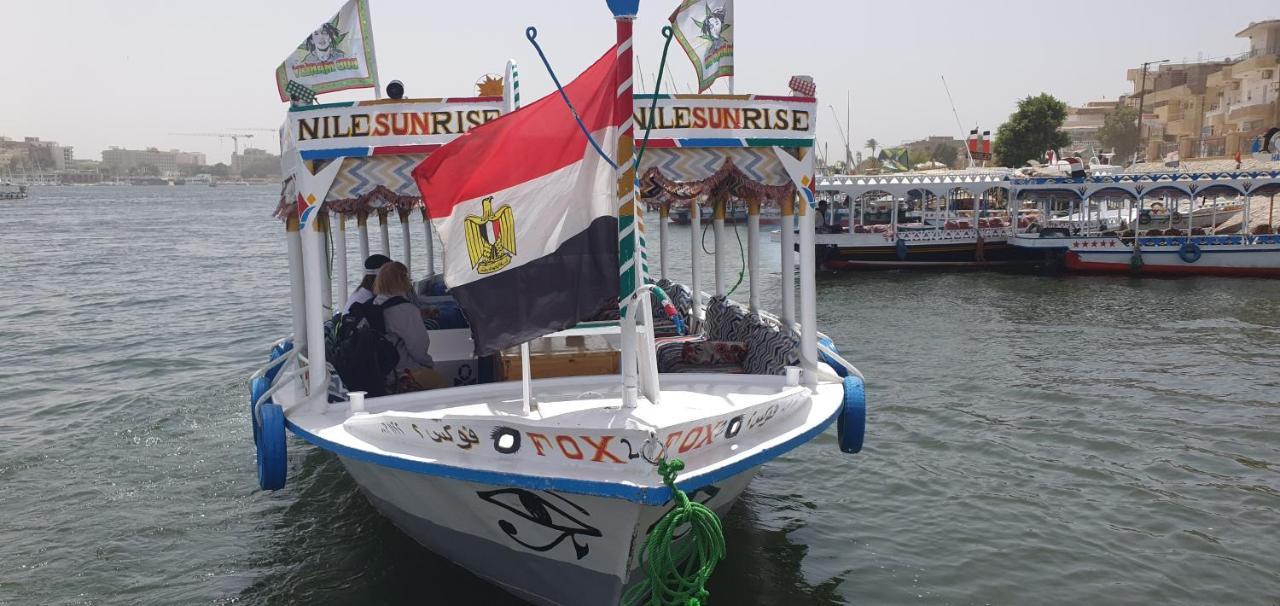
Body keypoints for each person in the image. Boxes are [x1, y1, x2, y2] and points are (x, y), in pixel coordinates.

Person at [373, 261, 448, 391]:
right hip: (402, 371)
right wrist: (427, 365)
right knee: (442, 385)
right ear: (402, 279)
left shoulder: (376, 303)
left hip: (380, 369)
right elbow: (418, 346)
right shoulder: (406, 309)